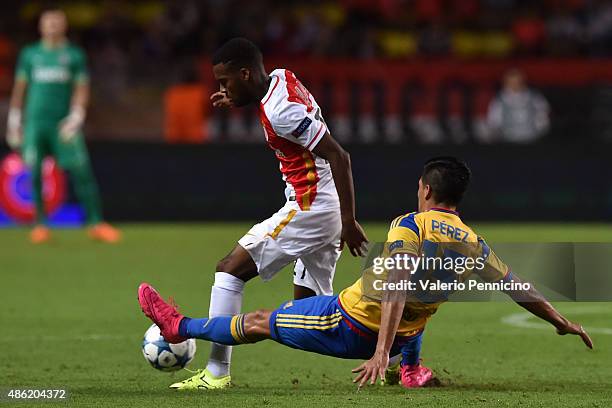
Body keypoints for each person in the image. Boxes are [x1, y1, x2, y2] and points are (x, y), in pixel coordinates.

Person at [137, 156, 592, 390]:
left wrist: (376, 352)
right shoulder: (474, 243)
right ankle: (410, 369)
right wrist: (560, 323)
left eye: (419, 186)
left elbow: (394, 284)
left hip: (349, 323)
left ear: (427, 190)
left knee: (259, 321)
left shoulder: (410, 224)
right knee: (422, 304)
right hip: (401, 334)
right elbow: (518, 288)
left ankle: (179, 328)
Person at [167, 38, 368, 390]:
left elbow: (339, 156)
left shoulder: (281, 110)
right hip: (325, 205)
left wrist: (348, 222)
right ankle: (393, 354)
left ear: (245, 73)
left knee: (229, 269)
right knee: (311, 313)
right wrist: (236, 98)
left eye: (226, 82)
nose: (222, 88)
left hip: (312, 206)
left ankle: (216, 373)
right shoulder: (281, 78)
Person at [5, 9, 120, 243]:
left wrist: (77, 116)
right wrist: (14, 119)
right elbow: (20, 88)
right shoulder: (30, 54)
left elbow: (81, 87)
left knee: (81, 170)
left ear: (64, 26)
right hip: (35, 123)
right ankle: (40, 225)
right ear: (41, 26)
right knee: (34, 171)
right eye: (48, 22)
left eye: (57, 22)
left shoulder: (73, 55)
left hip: (62, 124)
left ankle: (96, 223)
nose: (52, 26)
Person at [487, 69, 550, 143]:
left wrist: (539, 129)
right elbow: (494, 120)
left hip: (531, 138)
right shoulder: (499, 100)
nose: (514, 84)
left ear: (522, 81)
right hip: (508, 140)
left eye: (517, 81)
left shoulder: (534, 97)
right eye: (511, 82)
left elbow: (543, 114)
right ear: (505, 82)